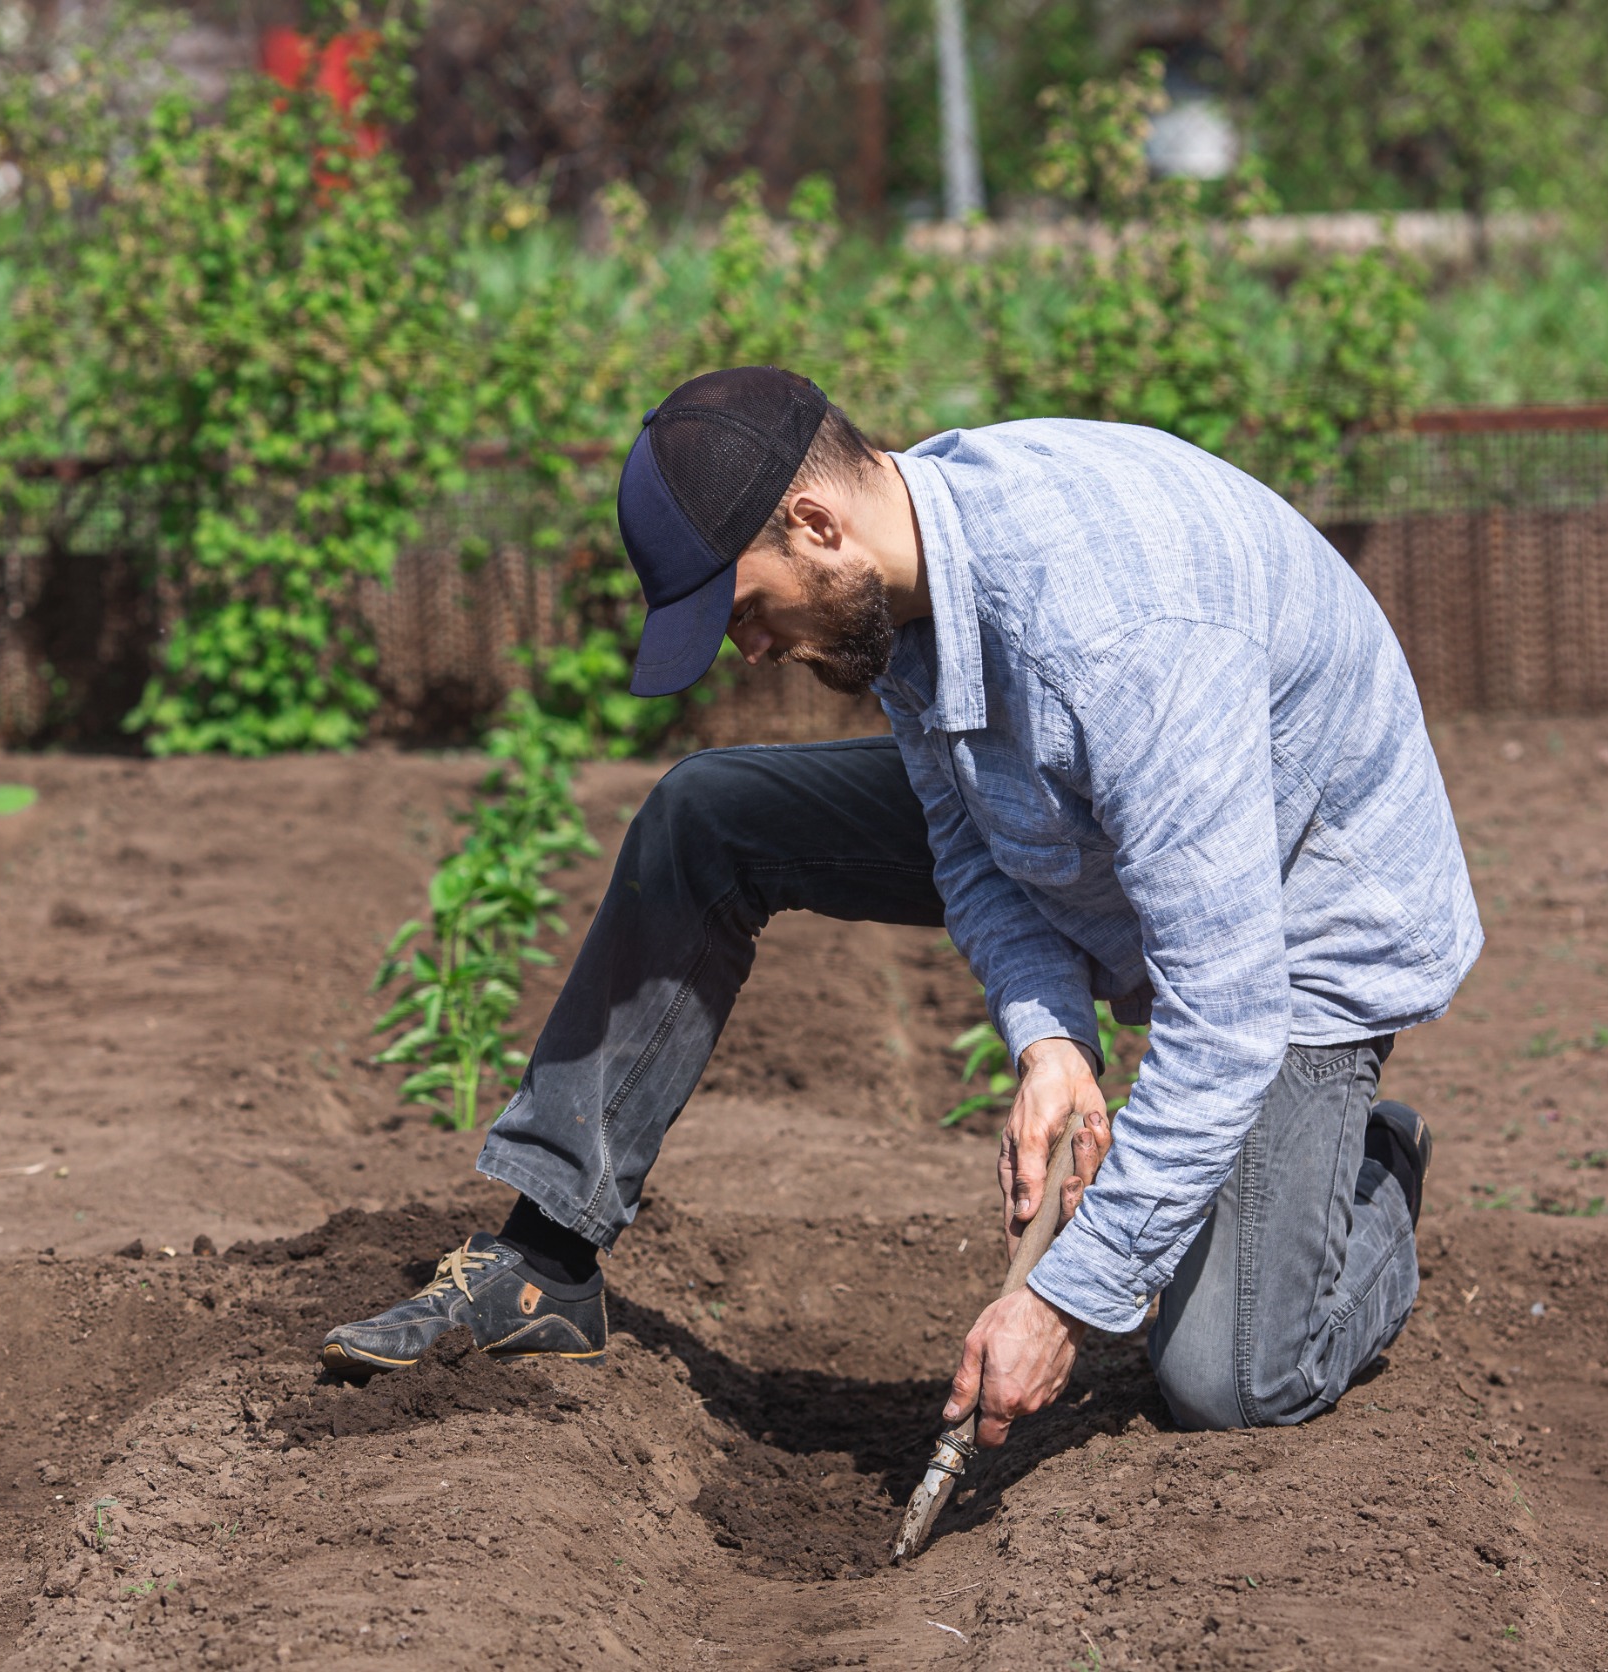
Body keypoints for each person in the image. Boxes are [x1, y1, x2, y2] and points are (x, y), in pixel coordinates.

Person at [324, 366, 1479, 1439]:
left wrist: (1063, 1302)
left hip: (1299, 902)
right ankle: (546, 1260)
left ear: (814, 524)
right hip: (1088, 819)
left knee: (1227, 1379)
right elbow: (970, 844)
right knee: (709, 816)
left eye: (744, 610)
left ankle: (1358, 1177)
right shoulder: (905, 580)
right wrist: (1051, 1042)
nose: (750, 651)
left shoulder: (1121, 634)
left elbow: (1225, 1012)